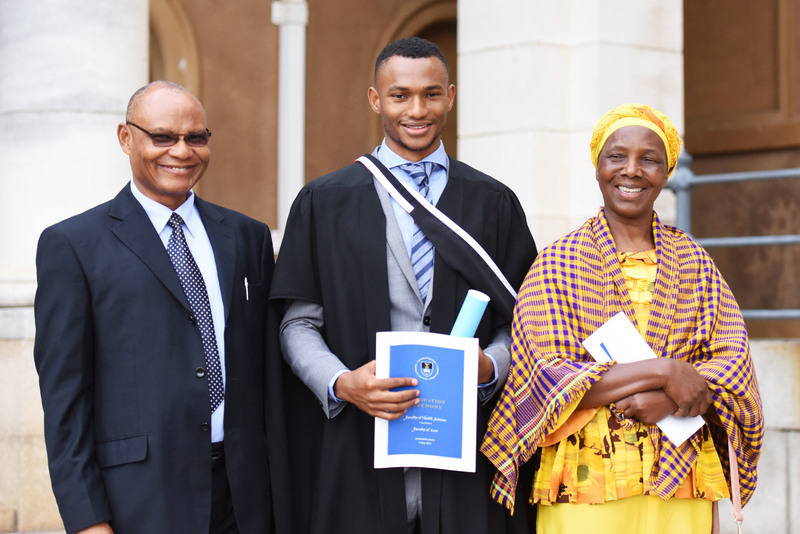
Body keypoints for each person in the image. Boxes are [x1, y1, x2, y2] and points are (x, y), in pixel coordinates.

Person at [271, 36, 538, 534]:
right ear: (376, 100)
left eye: (431, 94)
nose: (417, 110)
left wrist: (490, 367)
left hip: (467, 447)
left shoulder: (492, 202)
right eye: (400, 96)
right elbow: (298, 323)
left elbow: (525, 321)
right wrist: (341, 382)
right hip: (359, 441)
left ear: (450, 96)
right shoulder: (324, 202)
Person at [481, 103, 764, 533]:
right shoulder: (557, 263)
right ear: (597, 167)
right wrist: (665, 372)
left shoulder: (695, 263)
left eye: (649, 159)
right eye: (617, 157)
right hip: (585, 479)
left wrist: (670, 401)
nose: (631, 170)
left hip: (682, 475)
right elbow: (545, 378)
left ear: (666, 174)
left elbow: (731, 363)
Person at [33, 81, 290, 534]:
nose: (182, 151)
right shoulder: (72, 245)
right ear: (125, 138)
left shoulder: (248, 237)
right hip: (140, 500)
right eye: (163, 137)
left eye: (196, 138)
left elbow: (268, 369)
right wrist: (88, 521)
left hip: (246, 497)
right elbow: (65, 400)